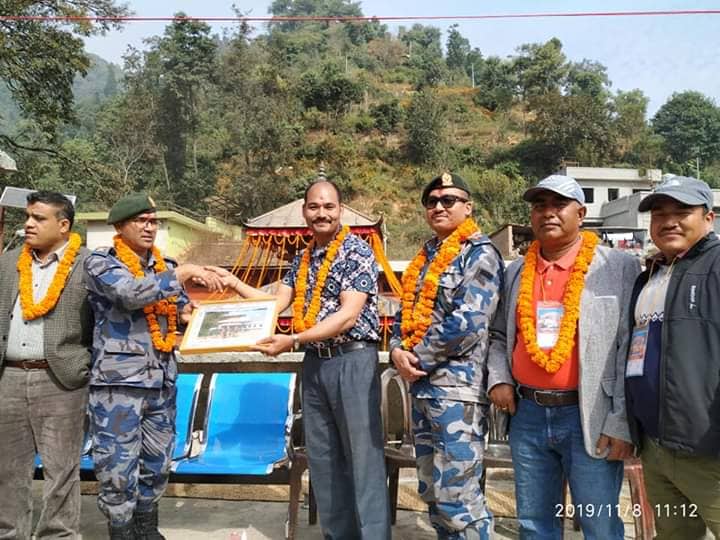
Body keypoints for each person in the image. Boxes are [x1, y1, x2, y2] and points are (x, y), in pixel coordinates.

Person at [207, 179, 391, 539]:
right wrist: (233, 282)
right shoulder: (303, 258)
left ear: (340, 210)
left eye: (329, 206)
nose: (321, 213)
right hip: (315, 363)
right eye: (314, 207)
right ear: (304, 211)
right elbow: (274, 304)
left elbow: (347, 316)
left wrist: (292, 339)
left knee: (363, 459)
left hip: (352, 361)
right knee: (324, 459)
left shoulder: (356, 251)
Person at [488, 175, 640, 539]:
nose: (548, 213)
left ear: (581, 214)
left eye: (559, 205)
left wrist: (620, 421)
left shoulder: (617, 266)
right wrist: (499, 378)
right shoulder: (516, 271)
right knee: (534, 523)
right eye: (540, 206)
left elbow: (630, 346)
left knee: (599, 524)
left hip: (590, 415)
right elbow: (498, 335)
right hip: (527, 414)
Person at [84, 193, 223, 540]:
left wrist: (205, 318)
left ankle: (147, 530)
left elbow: (181, 311)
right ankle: (121, 531)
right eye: (140, 221)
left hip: (161, 382)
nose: (149, 227)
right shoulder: (101, 262)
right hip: (119, 386)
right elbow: (130, 294)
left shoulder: (165, 266)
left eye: (153, 221)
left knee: (157, 462)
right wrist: (184, 273)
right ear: (120, 226)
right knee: (117, 467)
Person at [389, 172, 504, 539]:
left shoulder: (479, 254)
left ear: (468, 207)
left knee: (460, 499)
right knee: (432, 493)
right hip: (422, 390)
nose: (438, 206)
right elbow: (403, 314)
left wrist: (417, 358)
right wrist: (396, 350)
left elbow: (468, 323)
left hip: (457, 393)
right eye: (432, 201)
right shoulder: (425, 257)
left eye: (448, 200)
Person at [626, 175, 720, 539]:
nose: (669, 221)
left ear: (708, 217)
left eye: (682, 211)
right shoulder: (651, 275)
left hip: (708, 453)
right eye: (659, 214)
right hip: (656, 449)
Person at [0, 191, 92, 539]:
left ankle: (59, 535)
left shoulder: (88, 264)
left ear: (63, 225)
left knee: (61, 470)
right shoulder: (8, 263)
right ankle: (9, 533)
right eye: (28, 217)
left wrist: (85, 364)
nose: (28, 224)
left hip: (61, 379)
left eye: (38, 218)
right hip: (8, 377)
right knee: (7, 469)